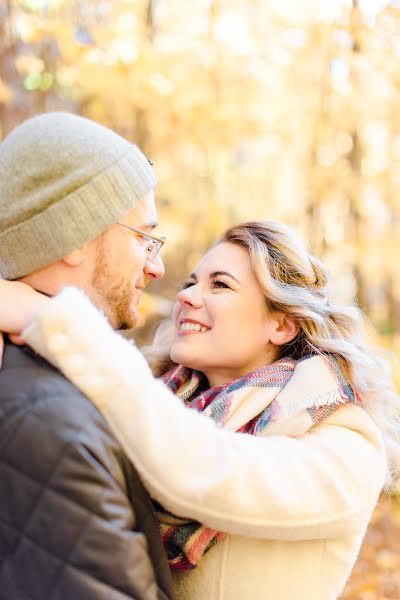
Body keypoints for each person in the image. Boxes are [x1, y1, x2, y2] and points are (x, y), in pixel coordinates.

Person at [1, 221, 399, 600]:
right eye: (190, 283)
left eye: (220, 285)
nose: (186, 296)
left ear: (281, 325)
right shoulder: (162, 401)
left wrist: (59, 323)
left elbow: (205, 470)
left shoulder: (347, 447)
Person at [0, 112, 173, 600]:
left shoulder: (56, 391)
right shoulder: (52, 424)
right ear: (75, 236)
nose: (156, 265)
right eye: (144, 237)